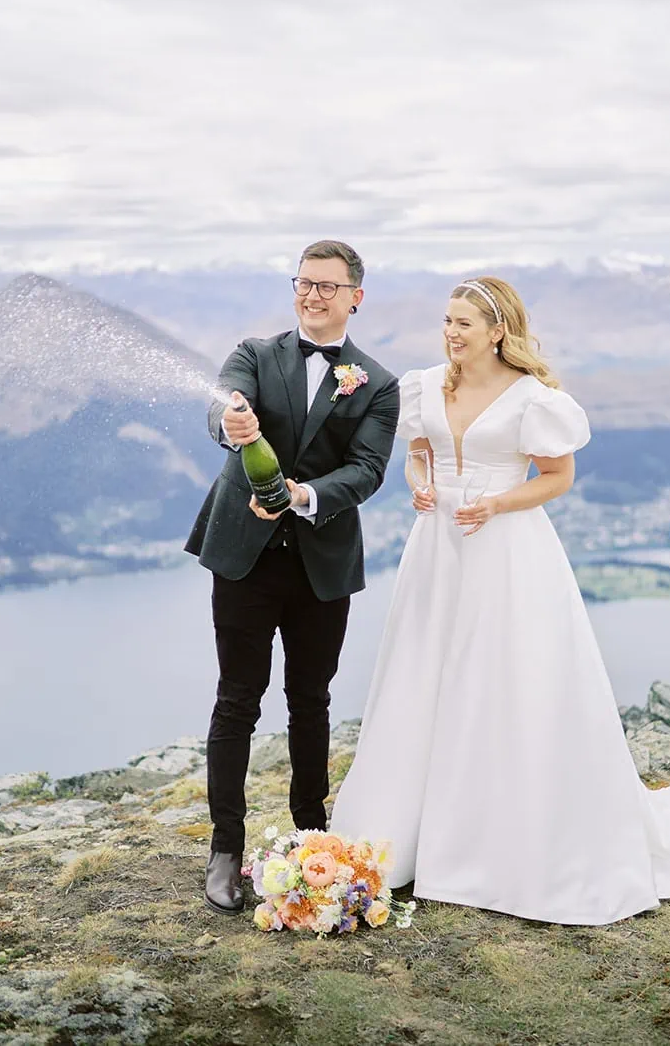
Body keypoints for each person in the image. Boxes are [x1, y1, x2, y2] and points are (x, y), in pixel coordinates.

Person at [329, 276, 670, 925]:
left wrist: (496, 502)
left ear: (497, 332)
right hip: (437, 552)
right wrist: (422, 484)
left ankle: (497, 840)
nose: (451, 333)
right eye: (447, 321)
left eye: (463, 323)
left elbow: (557, 477)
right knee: (424, 676)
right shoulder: (427, 385)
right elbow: (419, 455)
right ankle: (418, 831)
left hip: (506, 550)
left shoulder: (532, 400)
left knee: (504, 682)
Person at [184, 239, 400, 914]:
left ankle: (314, 836)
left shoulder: (377, 383)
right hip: (244, 560)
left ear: (355, 297)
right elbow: (220, 411)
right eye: (304, 283)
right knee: (236, 700)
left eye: (328, 286)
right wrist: (231, 420)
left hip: (320, 564)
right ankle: (225, 850)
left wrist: (301, 496)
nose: (313, 295)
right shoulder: (254, 353)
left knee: (311, 700)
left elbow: (365, 471)